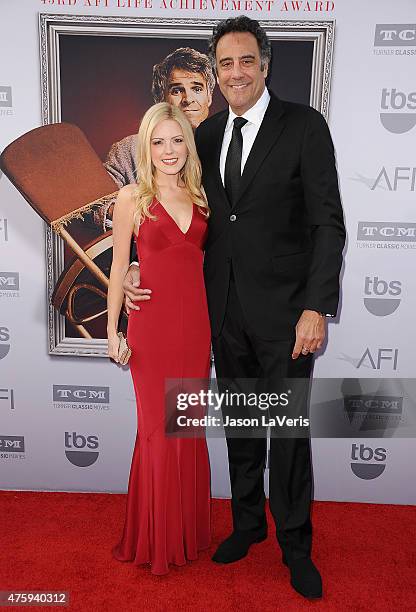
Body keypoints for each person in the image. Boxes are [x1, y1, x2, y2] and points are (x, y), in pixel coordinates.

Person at [123, 16, 346, 598]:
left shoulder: (304, 126)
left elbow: (328, 222)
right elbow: (172, 211)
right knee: (244, 430)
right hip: (220, 314)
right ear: (215, 72)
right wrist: (135, 269)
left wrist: (317, 306)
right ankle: (247, 526)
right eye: (225, 63)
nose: (236, 72)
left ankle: (296, 546)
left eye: (247, 60)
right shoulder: (204, 135)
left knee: (288, 435)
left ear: (265, 65)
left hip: (287, 316)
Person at [107, 102, 211, 575]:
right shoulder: (132, 197)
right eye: (158, 141)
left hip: (195, 332)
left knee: (184, 430)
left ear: (187, 145)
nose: (168, 151)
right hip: (150, 331)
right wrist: (113, 330)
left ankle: (185, 535)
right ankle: (154, 540)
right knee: (155, 432)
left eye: (176, 141)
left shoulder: (203, 195)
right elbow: (117, 266)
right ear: (145, 147)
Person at [95, 48, 215, 230]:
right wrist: (132, 214)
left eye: (197, 89)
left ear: (209, 96)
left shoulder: (228, 148)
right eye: (176, 90)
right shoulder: (128, 150)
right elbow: (99, 203)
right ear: (161, 97)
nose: (188, 99)